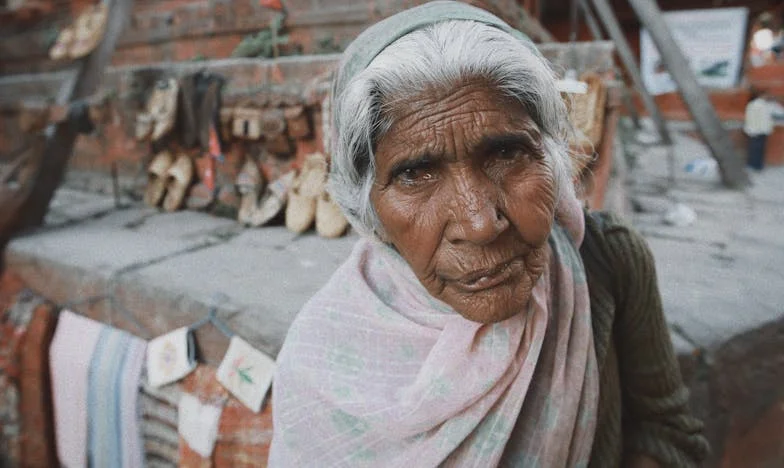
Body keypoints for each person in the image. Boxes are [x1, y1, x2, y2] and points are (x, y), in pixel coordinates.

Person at [269, 2, 709, 466]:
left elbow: (666, 433)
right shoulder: (319, 357)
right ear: (368, 210)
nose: (480, 225)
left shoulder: (610, 259)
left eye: (506, 153)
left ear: (553, 156)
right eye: (416, 173)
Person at [744, 90, 776, 171]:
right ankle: (755, 165)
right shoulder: (759, 105)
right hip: (758, 130)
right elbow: (751, 118)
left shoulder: (761, 104)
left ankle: (755, 165)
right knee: (757, 149)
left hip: (758, 130)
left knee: (757, 149)